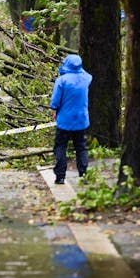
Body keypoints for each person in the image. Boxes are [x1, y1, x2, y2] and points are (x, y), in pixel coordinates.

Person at [49, 53, 92, 185]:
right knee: (81, 147)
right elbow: (83, 72)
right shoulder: (86, 78)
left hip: (64, 121)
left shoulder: (62, 81)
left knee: (60, 147)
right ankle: (83, 174)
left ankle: (60, 176)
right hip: (81, 120)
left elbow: (54, 103)